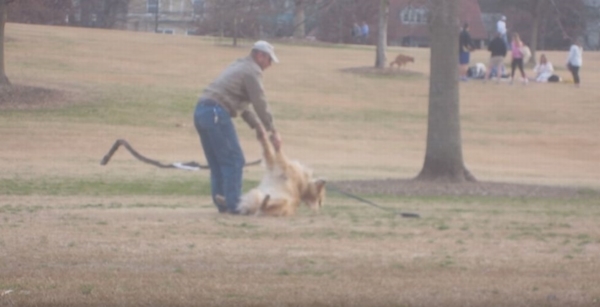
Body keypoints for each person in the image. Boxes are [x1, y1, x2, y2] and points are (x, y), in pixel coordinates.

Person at [193, 40, 281, 214]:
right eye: (269, 59)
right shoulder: (252, 71)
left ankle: (223, 203)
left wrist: (257, 125)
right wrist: (273, 130)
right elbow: (259, 102)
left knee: (218, 162)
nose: (270, 64)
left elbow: (240, 104)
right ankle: (235, 206)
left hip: (202, 111)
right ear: (260, 55)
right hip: (216, 113)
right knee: (235, 160)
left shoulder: (240, 65)